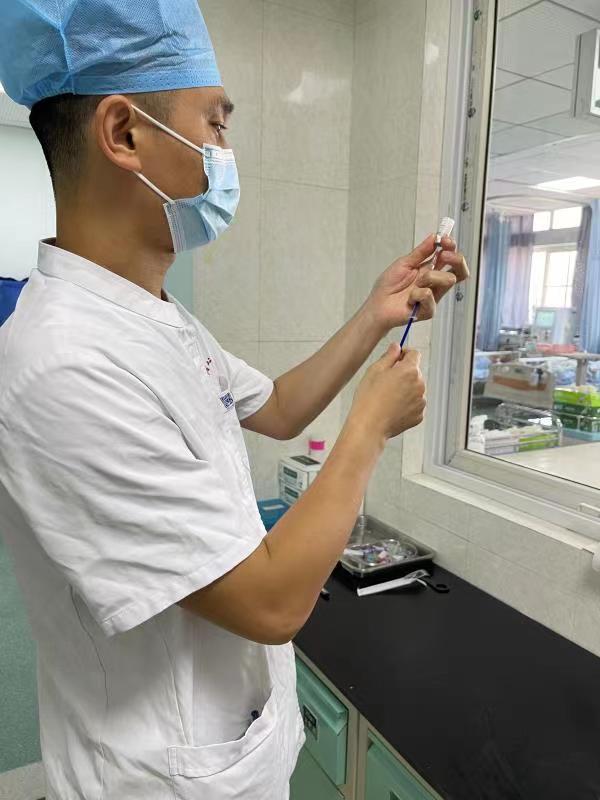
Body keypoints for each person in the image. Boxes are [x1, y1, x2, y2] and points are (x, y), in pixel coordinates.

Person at [0, 2, 469, 798]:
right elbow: (271, 603)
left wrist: (376, 311)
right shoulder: (61, 364)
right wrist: (370, 425)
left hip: (232, 753)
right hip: (159, 782)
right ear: (124, 134)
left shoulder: (155, 317)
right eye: (215, 125)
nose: (225, 155)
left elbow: (277, 406)